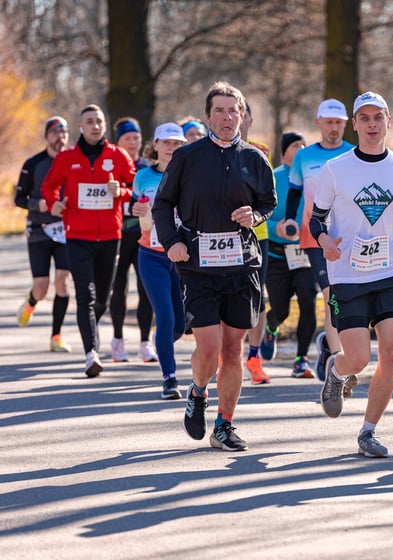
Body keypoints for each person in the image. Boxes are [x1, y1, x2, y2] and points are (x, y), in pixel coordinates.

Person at [152, 81, 276, 452]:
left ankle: (224, 424)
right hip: (198, 264)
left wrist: (254, 215)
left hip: (241, 264)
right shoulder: (188, 157)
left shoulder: (255, 158)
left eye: (233, 110)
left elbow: (269, 202)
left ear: (243, 116)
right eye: (219, 111)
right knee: (209, 348)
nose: (227, 117)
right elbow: (162, 205)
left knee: (233, 348)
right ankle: (198, 390)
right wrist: (172, 242)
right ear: (208, 116)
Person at [313, 92, 393, 458]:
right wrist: (323, 240)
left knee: (392, 353)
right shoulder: (335, 169)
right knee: (358, 359)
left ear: (388, 122)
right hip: (348, 275)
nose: (371, 124)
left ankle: (368, 431)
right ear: (355, 124)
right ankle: (336, 373)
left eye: (377, 118)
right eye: (364, 118)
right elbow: (317, 218)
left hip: (391, 270)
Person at [41, 104, 136, 378]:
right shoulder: (66, 157)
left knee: (101, 300)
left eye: (99, 121)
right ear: (80, 127)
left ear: (104, 126)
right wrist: (54, 204)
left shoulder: (117, 156)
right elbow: (49, 187)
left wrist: (121, 191)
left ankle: (92, 342)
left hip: (110, 236)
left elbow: (136, 189)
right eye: (89, 122)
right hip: (77, 236)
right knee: (86, 295)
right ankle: (91, 353)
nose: (95, 126)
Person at [279, 99, 354, 386]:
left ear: (346, 124)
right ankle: (338, 358)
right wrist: (289, 220)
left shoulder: (354, 154)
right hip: (314, 237)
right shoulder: (304, 157)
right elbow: (295, 193)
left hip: (349, 237)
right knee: (330, 294)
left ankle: (327, 344)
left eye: (339, 123)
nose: (334, 128)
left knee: (345, 297)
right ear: (318, 123)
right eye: (329, 122)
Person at [130, 122, 187, 399]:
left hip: (182, 257)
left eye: (177, 143)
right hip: (150, 255)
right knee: (164, 315)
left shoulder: (189, 175)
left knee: (179, 324)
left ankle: (162, 341)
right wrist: (136, 207)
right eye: (166, 143)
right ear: (155, 146)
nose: (171, 148)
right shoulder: (142, 176)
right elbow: (134, 205)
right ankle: (170, 378)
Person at [14, 116, 73, 353]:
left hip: (64, 231)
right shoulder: (33, 163)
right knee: (41, 287)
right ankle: (31, 301)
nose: (60, 136)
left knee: (62, 282)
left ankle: (56, 336)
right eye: (55, 132)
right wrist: (38, 204)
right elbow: (19, 199)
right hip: (38, 231)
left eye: (64, 131)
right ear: (47, 136)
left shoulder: (73, 161)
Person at [265, 131, 318, 378]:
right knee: (282, 309)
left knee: (308, 301)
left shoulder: (313, 177)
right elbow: (258, 215)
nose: (302, 148)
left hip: (305, 253)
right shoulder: (272, 177)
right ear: (285, 150)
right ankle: (271, 324)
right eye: (296, 145)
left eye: (304, 145)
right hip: (276, 255)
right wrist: (275, 227)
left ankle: (301, 359)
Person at [109, 117, 156, 363]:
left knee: (145, 287)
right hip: (117, 235)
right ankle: (117, 339)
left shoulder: (147, 168)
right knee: (118, 288)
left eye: (136, 137)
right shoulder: (112, 166)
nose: (133, 142)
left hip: (143, 234)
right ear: (118, 142)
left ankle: (145, 342)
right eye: (127, 138)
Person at [240, 101, 272, 385]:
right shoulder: (207, 153)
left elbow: (268, 197)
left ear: (249, 119)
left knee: (257, 297)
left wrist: (256, 215)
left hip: (257, 237)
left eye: (242, 115)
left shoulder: (260, 152)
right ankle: (227, 356)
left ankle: (254, 355)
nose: (236, 120)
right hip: (222, 238)